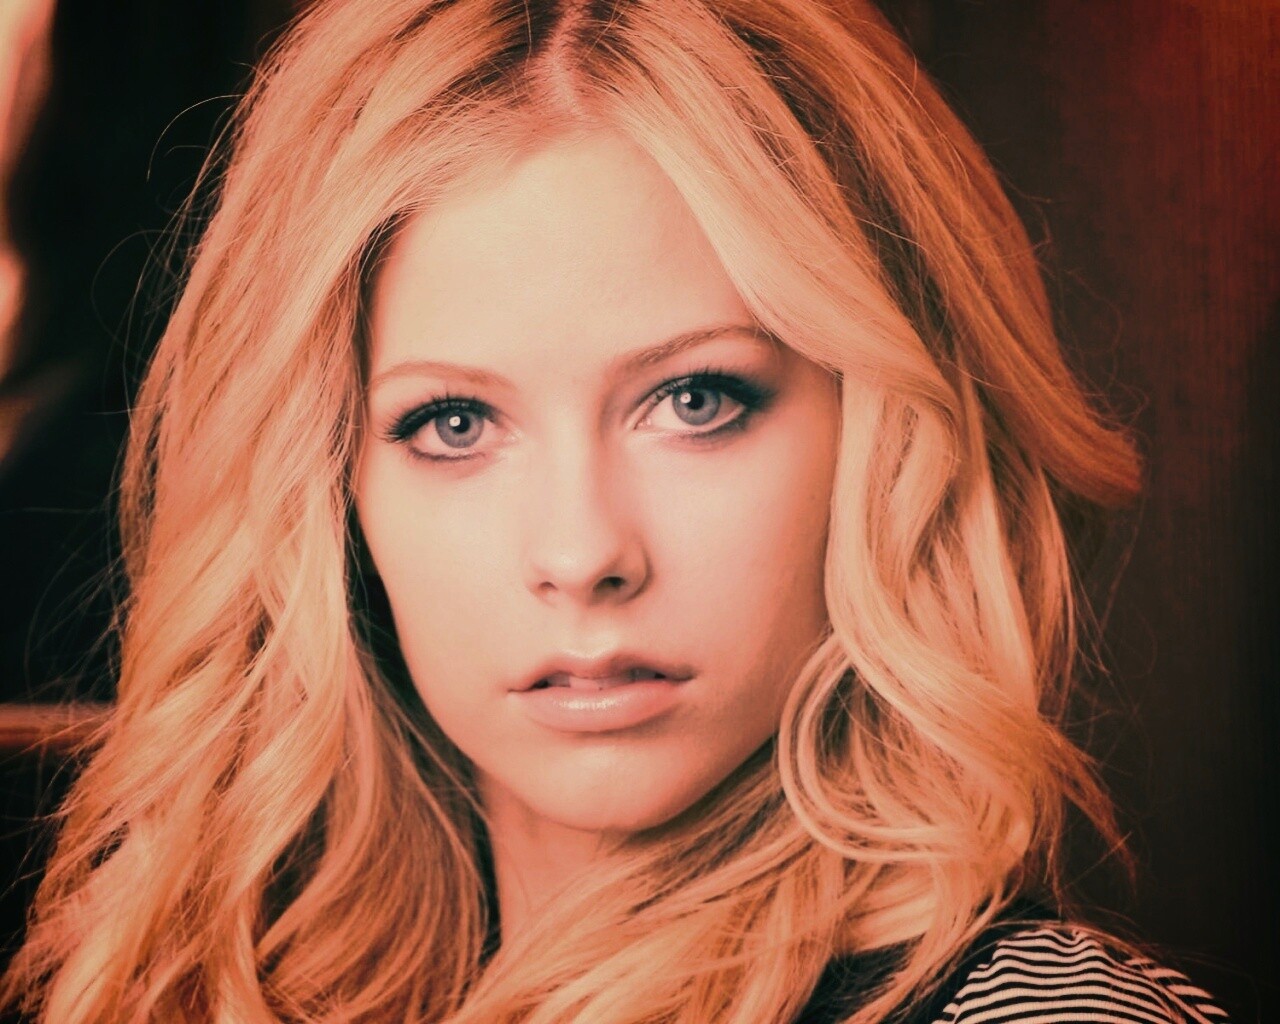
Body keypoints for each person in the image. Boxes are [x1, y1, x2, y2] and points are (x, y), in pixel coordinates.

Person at [0, 1, 1231, 1021]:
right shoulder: (185, 984)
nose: (582, 551)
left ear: (884, 437)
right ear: (330, 489)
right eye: (453, 423)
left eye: (695, 400)